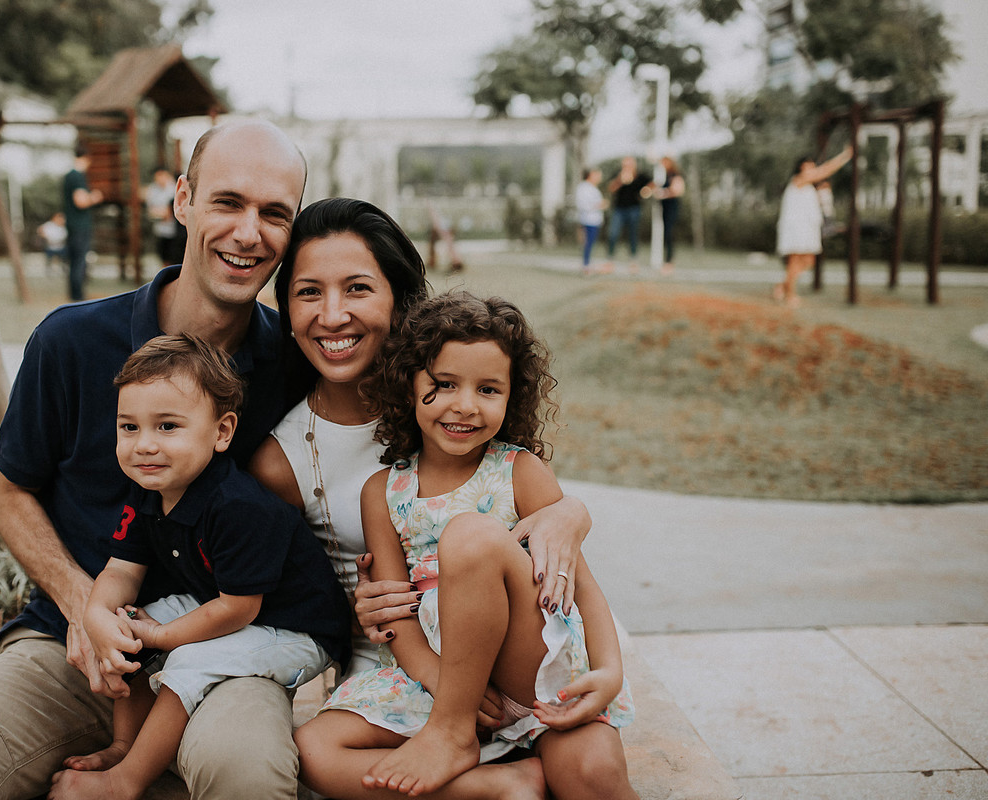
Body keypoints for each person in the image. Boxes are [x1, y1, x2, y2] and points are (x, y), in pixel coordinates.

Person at [0, 119, 311, 800]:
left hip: (223, 654)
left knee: (247, 777)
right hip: (69, 643)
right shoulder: (72, 340)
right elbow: (10, 493)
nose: (249, 232)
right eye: (228, 202)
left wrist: (544, 511)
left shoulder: (296, 360)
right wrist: (85, 607)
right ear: (184, 200)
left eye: (274, 213)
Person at [248, 199, 596, 797]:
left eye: (357, 288)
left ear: (401, 301)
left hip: (509, 644)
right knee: (314, 756)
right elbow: (295, 592)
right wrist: (359, 605)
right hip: (401, 663)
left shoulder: (454, 408)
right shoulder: (283, 459)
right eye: (308, 292)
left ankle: (465, 741)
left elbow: (520, 498)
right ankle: (498, 786)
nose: (333, 315)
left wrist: (573, 512)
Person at [294, 292, 636, 800]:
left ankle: (453, 737)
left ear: (511, 397)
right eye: (444, 384)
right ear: (409, 385)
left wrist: (608, 673)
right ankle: (502, 783)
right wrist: (440, 685)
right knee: (315, 751)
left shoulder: (519, 471)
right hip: (444, 681)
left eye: (488, 389)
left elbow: (581, 583)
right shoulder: (383, 492)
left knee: (591, 773)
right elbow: (397, 614)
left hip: (532, 673)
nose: (466, 405)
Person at [50, 333, 350, 800]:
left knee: (189, 658)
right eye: (129, 427)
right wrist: (98, 618)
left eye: (167, 426)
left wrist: (165, 637)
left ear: (222, 432)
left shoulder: (237, 505)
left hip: (295, 628)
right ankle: (125, 747)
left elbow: (240, 609)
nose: (144, 445)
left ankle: (126, 782)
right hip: (221, 602)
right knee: (128, 621)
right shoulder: (150, 488)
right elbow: (121, 571)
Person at [774, 146, 853, 307]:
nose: (813, 169)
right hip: (796, 228)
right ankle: (790, 294)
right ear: (802, 167)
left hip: (806, 228)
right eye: (810, 166)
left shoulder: (807, 184)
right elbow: (826, 170)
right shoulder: (799, 179)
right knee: (795, 261)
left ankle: (782, 286)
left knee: (808, 261)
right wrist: (844, 156)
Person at [63, 143, 105, 302]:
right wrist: (94, 197)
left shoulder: (69, 176)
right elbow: (80, 201)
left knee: (74, 260)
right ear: (87, 159)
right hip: (80, 225)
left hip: (72, 224)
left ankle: (74, 293)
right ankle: (78, 296)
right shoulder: (77, 176)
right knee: (79, 260)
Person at [603, 157, 650, 274]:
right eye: (625, 165)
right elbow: (610, 188)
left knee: (633, 235)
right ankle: (609, 261)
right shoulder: (617, 174)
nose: (627, 167)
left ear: (634, 165)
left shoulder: (640, 176)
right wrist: (620, 180)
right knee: (613, 234)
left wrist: (646, 191)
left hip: (634, 209)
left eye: (629, 165)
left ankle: (633, 262)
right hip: (618, 209)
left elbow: (652, 183)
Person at [651, 156, 685, 274]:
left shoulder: (675, 176)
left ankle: (669, 262)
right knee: (666, 235)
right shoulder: (665, 176)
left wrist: (663, 193)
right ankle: (667, 261)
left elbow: (678, 190)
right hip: (664, 209)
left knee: (669, 235)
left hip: (671, 209)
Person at [146, 168, 184, 266]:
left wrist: (162, 212)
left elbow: (169, 212)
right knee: (163, 257)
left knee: (176, 258)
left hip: (176, 231)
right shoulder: (153, 190)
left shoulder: (174, 188)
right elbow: (151, 211)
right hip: (161, 230)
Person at [574, 168, 606, 274]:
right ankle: (585, 266)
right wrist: (599, 205)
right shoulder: (583, 188)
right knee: (587, 244)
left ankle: (587, 264)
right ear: (590, 175)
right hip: (588, 220)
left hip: (594, 220)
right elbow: (583, 205)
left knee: (591, 244)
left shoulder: (592, 188)